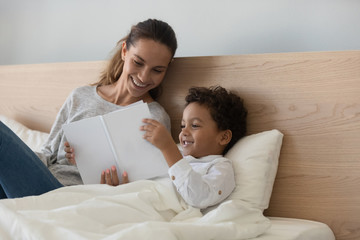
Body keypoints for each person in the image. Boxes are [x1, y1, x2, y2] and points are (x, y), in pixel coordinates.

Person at [0, 19, 177, 199]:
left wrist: (117, 187)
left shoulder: (154, 117)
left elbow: (150, 183)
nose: (143, 76)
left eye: (157, 70)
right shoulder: (80, 96)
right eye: (138, 62)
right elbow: (48, 154)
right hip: (44, 180)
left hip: (68, 194)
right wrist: (66, 154)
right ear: (124, 51)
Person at [141, 86, 248, 209]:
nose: (184, 132)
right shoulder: (175, 153)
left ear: (223, 137)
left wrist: (168, 148)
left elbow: (199, 198)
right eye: (182, 125)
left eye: (195, 125)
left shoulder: (220, 167)